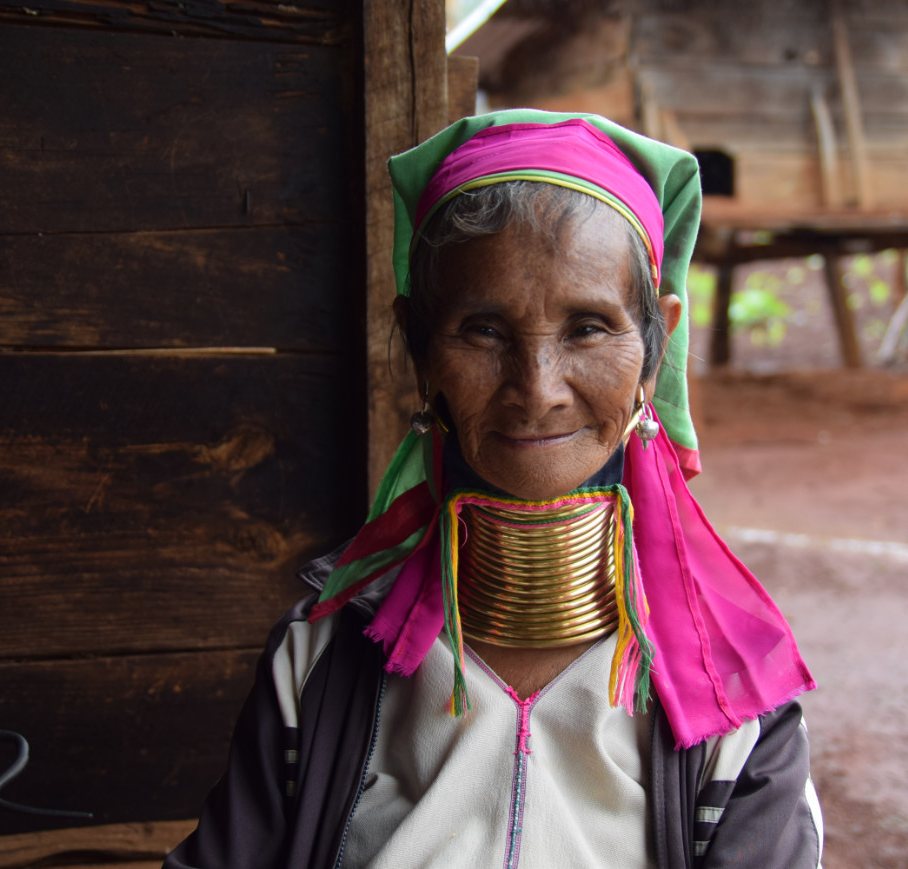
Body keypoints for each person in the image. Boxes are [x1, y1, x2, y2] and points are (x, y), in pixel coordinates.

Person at [164, 110, 820, 869]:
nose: (536, 390)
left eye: (588, 327)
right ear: (417, 344)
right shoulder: (318, 661)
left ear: (656, 345)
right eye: (482, 330)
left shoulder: (733, 694)